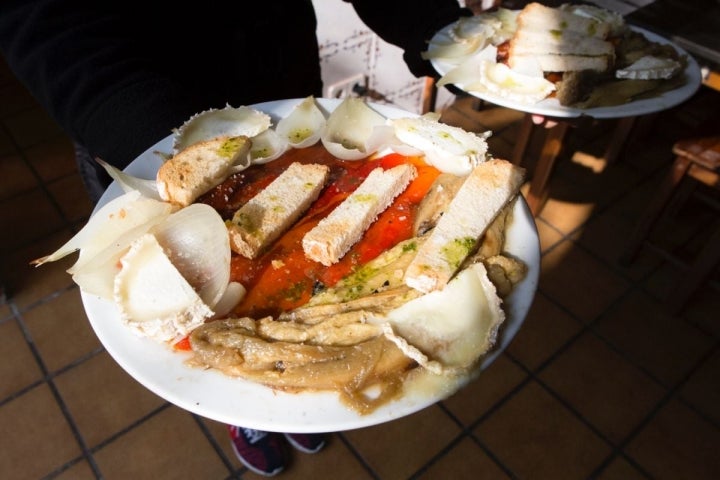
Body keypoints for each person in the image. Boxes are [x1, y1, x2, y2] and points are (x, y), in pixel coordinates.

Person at [0, 0, 472, 476]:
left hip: (280, 83)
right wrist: (169, 157)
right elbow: (43, 23)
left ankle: (298, 391)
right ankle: (249, 416)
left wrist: (449, 37)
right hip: (135, 124)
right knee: (197, 319)